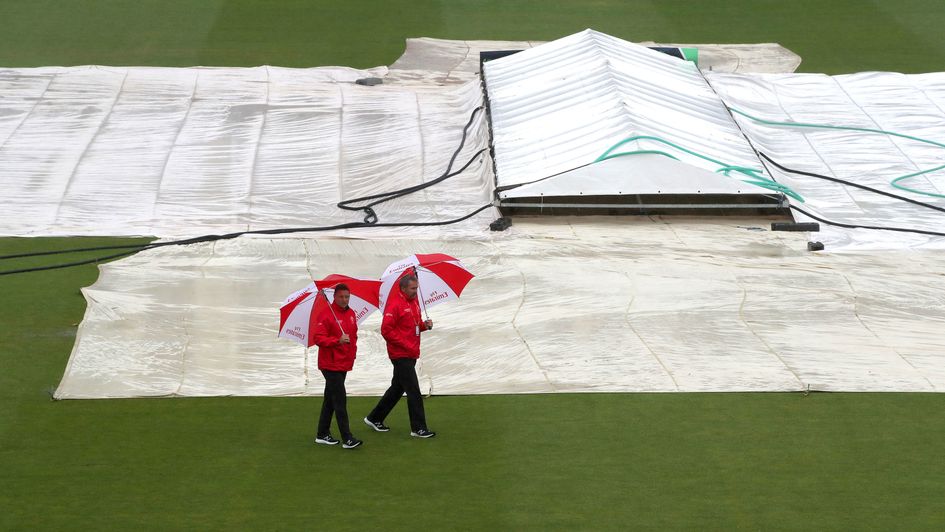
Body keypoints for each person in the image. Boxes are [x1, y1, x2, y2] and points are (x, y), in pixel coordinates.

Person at [364, 273, 436, 438]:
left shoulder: (414, 303)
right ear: (403, 288)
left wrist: (424, 326)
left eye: (416, 288)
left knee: (397, 388)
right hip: (400, 354)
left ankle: (375, 417)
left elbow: (414, 326)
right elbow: (386, 330)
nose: (415, 291)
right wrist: (404, 343)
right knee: (413, 390)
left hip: (411, 352)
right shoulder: (394, 305)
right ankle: (418, 428)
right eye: (412, 288)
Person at [311, 284, 363, 449]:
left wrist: (352, 354)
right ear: (334, 297)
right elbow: (318, 338)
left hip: (343, 362)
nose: (344, 300)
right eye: (341, 296)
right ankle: (347, 438)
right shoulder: (325, 314)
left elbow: (353, 337)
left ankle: (322, 434)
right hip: (330, 364)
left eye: (347, 297)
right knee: (340, 399)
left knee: (330, 399)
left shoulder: (351, 313)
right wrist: (337, 341)